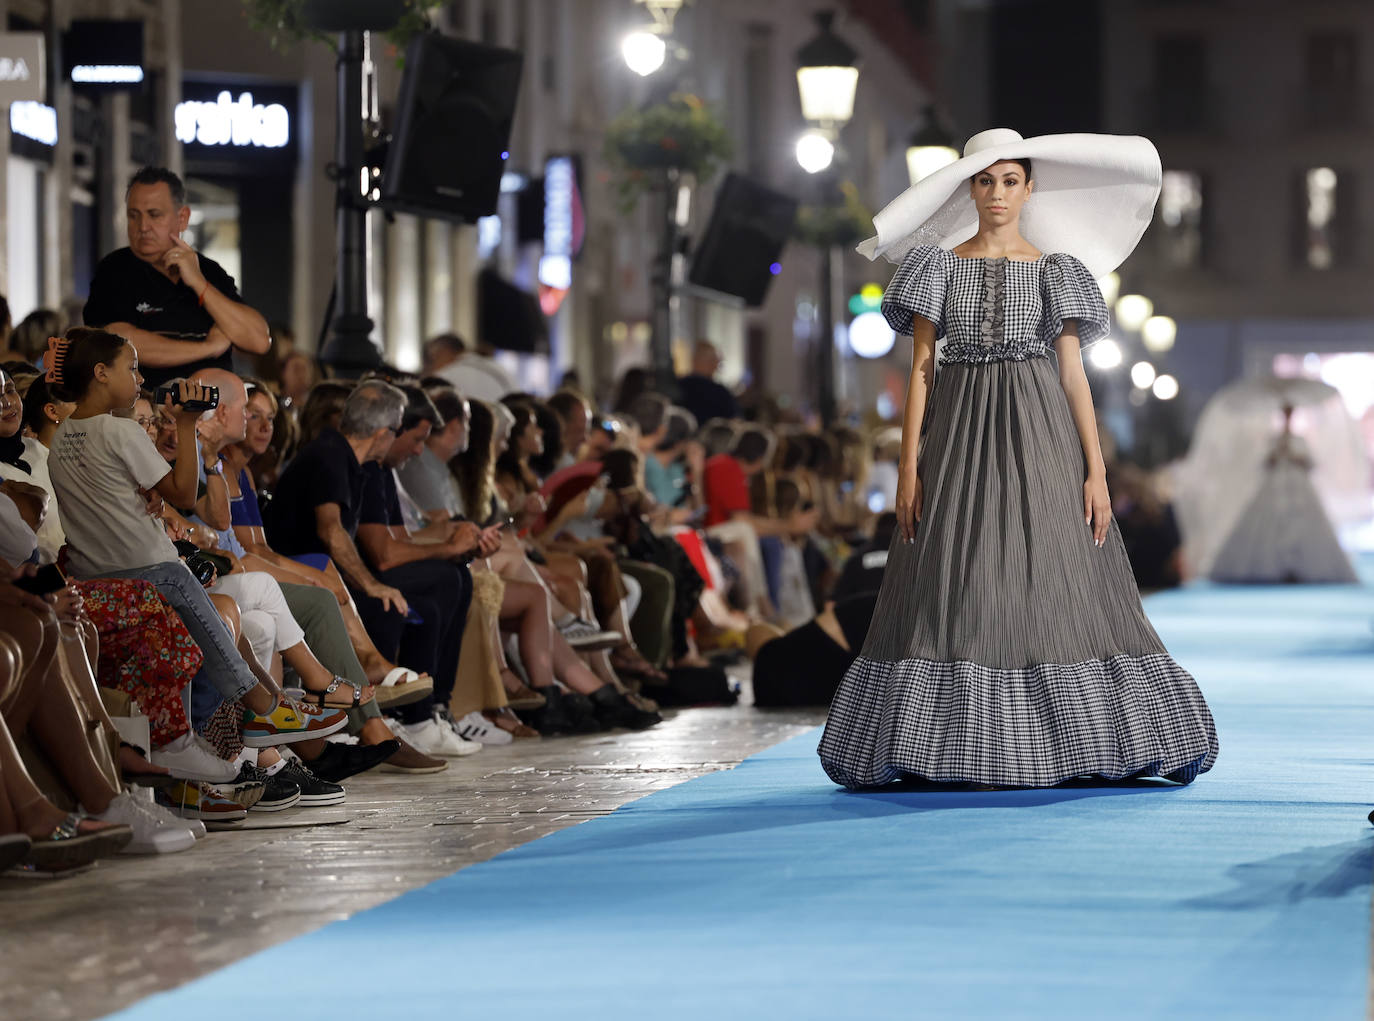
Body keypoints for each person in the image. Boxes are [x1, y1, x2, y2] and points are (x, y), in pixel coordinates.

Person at [818, 127, 1218, 789]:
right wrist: (910, 465)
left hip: (1041, 436)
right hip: (958, 435)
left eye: (1010, 180)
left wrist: (1096, 468)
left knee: (1049, 572)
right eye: (985, 181)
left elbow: (1073, 376)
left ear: (1030, 188)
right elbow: (921, 368)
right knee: (958, 571)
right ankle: (947, 745)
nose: (998, 194)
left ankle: (1066, 742)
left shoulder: (1057, 270)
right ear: (968, 188)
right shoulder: (935, 266)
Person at [83, 167, 270, 390]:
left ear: (182, 218)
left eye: (154, 215)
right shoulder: (114, 269)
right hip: (146, 414)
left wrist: (199, 283)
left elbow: (259, 340)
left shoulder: (208, 271)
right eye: (134, 215)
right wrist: (208, 348)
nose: (142, 227)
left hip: (214, 415)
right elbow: (120, 344)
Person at [425, 332, 515, 404]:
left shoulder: (444, 377)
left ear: (443, 353)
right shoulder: (500, 368)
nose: (430, 366)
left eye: (431, 359)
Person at [676, 341, 738, 425]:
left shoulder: (677, 386)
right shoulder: (720, 392)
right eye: (716, 361)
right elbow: (734, 421)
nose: (717, 366)